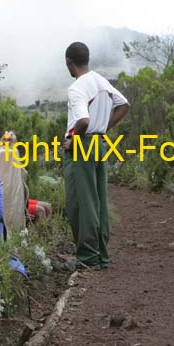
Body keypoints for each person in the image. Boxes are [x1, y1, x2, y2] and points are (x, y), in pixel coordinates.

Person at [62, 42, 130, 270]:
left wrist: (73, 140)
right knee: (99, 199)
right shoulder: (102, 81)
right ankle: (101, 255)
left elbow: (82, 120)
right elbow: (124, 105)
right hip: (100, 143)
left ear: (69, 63)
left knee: (82, 201)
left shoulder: (77, 87)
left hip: (83, 144)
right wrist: (105, 128)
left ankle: (87, 257)